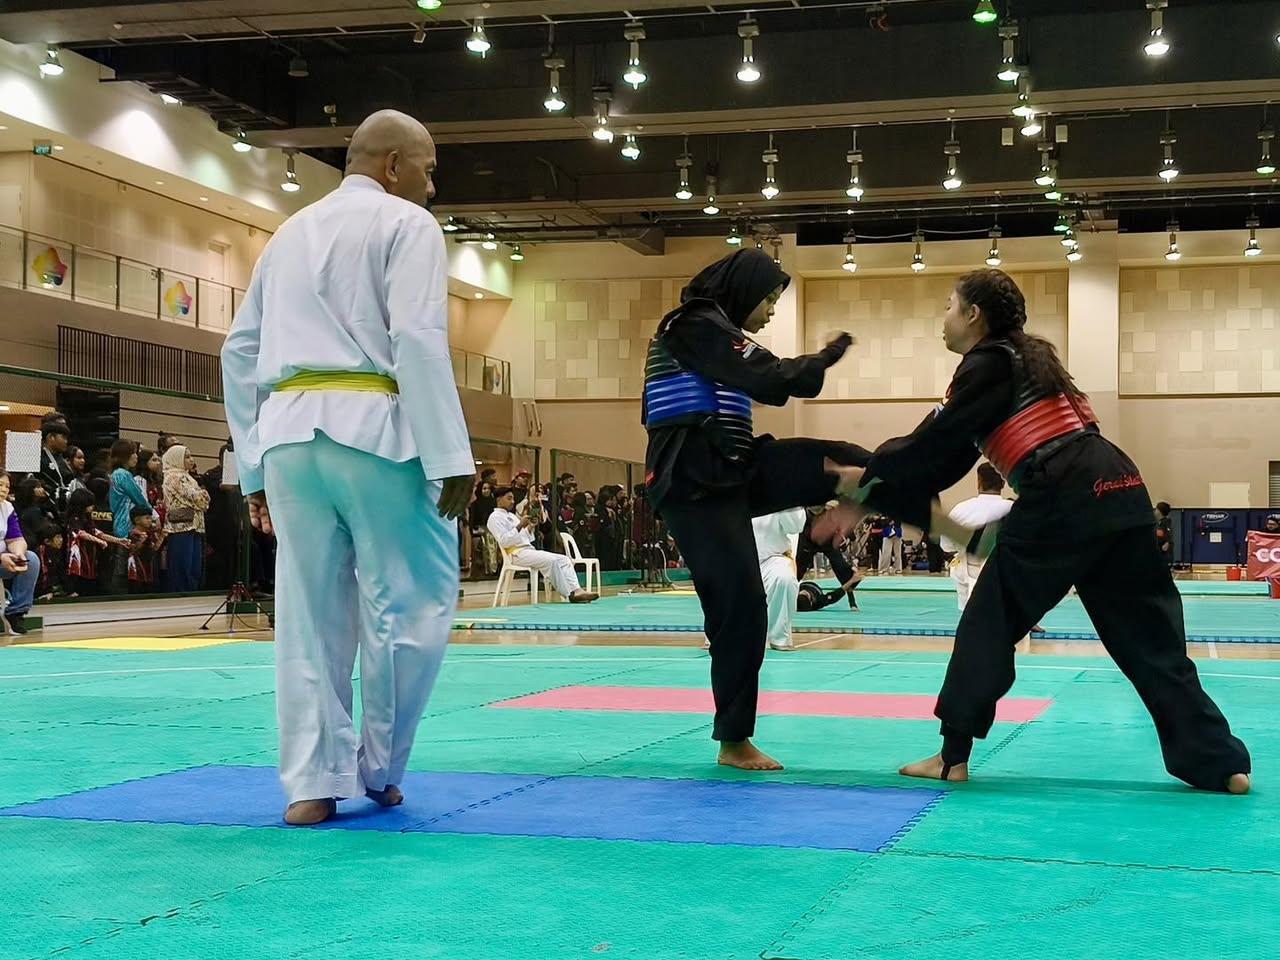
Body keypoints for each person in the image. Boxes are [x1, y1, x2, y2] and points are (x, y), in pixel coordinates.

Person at [824, 268, 1251, 794]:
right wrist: (874, 488)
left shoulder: (985, 363)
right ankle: (1219, 764)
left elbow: (928, 445)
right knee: (1151, 640)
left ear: (973, 315)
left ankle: (952, 757)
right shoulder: (1030, 361)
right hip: (1121, 485)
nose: (944, 317)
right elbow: (944, 459)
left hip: (1063, 491)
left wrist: (866, 478)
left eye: (949, 306)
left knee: (989, 618)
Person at [221, 108, 476, 826]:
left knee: (308, 615)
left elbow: (238, 352)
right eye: (428, 169)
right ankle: (380, 768)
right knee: (410, 603)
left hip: (288, 437)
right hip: (376, 432)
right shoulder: (408, 224)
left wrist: (252, 467)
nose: (432, 185)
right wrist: (450, 453)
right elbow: (417, 339)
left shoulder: (288, 233)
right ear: (393, 165)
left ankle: (311, 783)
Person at [642, 247, 867, 771]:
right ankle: (733, 741)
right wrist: (824, 358)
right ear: (742, 291)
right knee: (741, 609)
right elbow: (771, 377)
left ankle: (911, 492)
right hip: (694, 487)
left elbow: (766, 378)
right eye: (768, 300)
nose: (770, 312)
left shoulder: (714, 329)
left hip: (735, 470)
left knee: (847, 459)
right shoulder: (693, 325)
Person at [487, 487, 598, 602]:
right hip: (514, 553)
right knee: (552, 561)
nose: (512, 502)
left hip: (527, 550)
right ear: (499, 500)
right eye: (509, 498)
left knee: (564, 559)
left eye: (513, 499)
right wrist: (520, 525)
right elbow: (504, 541)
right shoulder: (494, 518)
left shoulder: (512, 516)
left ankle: (577, 589)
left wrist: (530, 527)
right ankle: (569, 594)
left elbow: (525, 537)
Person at [941, 463, 1015, 610]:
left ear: (979, 481)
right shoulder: (1013, 510)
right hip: (1004, 574)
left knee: (969, 615)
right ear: (1003, 482)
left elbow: (946, 546)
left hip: (967, 573)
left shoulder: (961, 509)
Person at [752, 508, 807, 652]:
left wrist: (782, 499)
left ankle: (778, 638)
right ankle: (716, 636)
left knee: (784, 578)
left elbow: (796, 526)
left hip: (772, 557)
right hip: (734, 559)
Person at [161, 444, 210, 592]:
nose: (191, 460)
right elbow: (197, 498)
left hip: (194, 525)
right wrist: (202, 495)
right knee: (183, 565)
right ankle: (181, 595)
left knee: (194, 566)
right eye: (187, 457)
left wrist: (202, 497)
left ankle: (191, 593)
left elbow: (203, 500)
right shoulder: (174, 477)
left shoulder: (187, 477)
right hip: (181, 527)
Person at [795, 505, 861, 610]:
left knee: (841, 568)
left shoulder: (831, 511)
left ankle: (852, 601)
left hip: (827, 541)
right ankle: (786, 593)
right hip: (808, 541)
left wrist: (848, 536)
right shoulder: (804, 514)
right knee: (797, 572)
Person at [0, 472, 41, 636]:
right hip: (1, 557)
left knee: (31, 560)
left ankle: (16, 613)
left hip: (4, 558)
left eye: (7, 486)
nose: (4, 490)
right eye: (0, 485)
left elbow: (16, 538)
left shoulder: (7, 508)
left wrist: (18, 554)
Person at [107, 440, 151, 594]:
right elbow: (140, 499)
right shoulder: (124, 474)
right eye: (133, 453)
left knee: (121, 565)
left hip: (118, 522)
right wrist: (152, 514)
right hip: (128, 524)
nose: (136, 457)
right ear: (124, 455)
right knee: (126, 567)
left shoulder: (114, 474)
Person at [39, 420, 73, 516]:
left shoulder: (61, 459)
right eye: (63, 437)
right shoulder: (39, 458)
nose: (66, 442)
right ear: (51, 437)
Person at [1154, 501, 1175, 571]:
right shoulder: (1158, 523)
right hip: (1159, 552)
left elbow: (1169, 534)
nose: (1155, 511)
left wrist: (1167, 542)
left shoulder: (1166, 522)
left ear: (1160, 511)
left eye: (1156, 509)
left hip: (1165, 554)